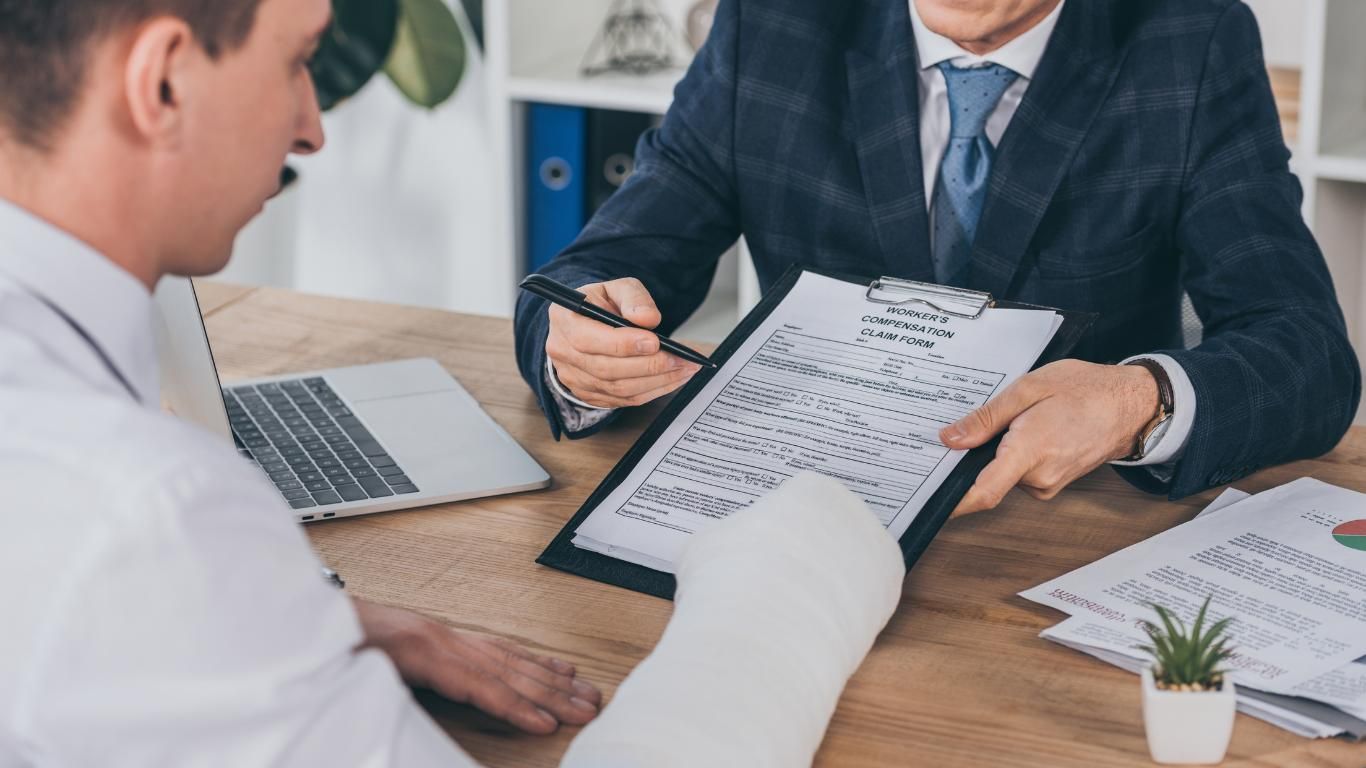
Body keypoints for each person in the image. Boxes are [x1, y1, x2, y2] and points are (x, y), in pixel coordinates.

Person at [0, 0, 903, 763]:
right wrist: (792, 579)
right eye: (299, 61)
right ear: (161, 83)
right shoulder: (148, 516)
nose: (313, 127)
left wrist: (313, 623)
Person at [514, 0, 1362, 513]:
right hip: (797, 504)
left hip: (1054, 526)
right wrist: (578, 344)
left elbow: (1310, 356)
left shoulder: (1192, 36)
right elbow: (596, 267)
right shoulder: (771, 20)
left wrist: (1138, 398)